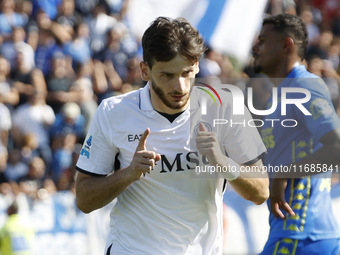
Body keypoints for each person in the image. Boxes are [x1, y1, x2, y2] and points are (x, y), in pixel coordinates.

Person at [75, 16, 269, 254]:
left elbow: (261, 192)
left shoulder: (226, 106)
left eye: (186, 73)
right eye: (167, 75)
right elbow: (84, 199)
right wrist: (129, 174)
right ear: (145, 70)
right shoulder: (113, 112)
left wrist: (223, 161)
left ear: (197, 64)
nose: (180, 87)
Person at [252, 13, 340, 254]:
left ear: (285, 45)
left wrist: (284, 174)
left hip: (300, 237)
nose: (255, 46)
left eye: (263, 40)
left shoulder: (303, 86)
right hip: (295, 234)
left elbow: (336, 147)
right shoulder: (280, 94)